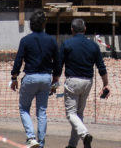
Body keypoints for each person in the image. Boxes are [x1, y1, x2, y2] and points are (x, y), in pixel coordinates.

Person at [11, 9, 61, 148]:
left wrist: (14, 77)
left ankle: (31, 137)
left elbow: (18, 60)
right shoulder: (51, 41)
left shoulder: (25, 40)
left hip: (30, 77)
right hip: (46, 78)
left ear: (31, 24)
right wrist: (56, 78)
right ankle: (41, 143)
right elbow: (57, 61)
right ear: (44, 24)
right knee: (42, 112)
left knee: (24, 108)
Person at [56, 18, 110, 148]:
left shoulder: (67, 44)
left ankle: (85, 134)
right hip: (88, 82)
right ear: (85, 29)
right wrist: (106, 84)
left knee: (71, 113)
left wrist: (55, 80)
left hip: (72, 81)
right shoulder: (93, 45)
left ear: (72, 30)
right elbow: (101, 67)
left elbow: (58, 65)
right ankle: (72, 144)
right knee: (79, 114)